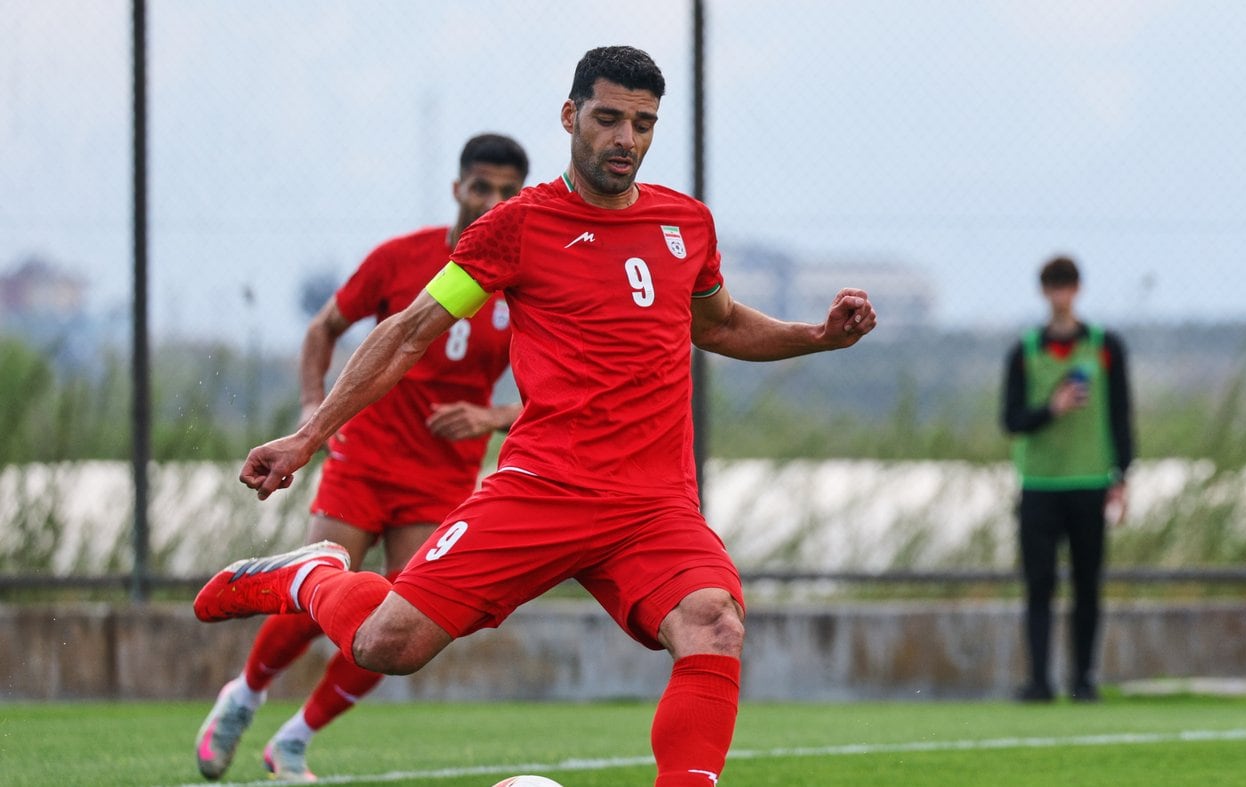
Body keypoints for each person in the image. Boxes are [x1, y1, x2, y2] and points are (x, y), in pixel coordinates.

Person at [193, 45, 876, 787]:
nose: (626, 139)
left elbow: (718, 325)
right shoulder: (518, 226)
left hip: (653, 505)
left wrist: (816, 335)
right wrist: (308, 435)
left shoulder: (686, 224)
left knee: (714, 622)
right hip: (543, 489)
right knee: (390, 644)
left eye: (643, 123)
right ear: (570, 116)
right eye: (608, 118)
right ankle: (311, 577)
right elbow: (410, 332)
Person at [195, 133, 530, 782]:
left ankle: (294, 740)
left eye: (508, 192)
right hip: (366, 457)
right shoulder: (400, 259)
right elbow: (324, 328)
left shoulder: (522, 278)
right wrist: (311, 411)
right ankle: (243, 696)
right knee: (317, 589)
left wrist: (492, 417)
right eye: (482, 187)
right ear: (457, 189)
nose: (493, 202)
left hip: (442, 476)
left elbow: (557, 392)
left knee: (405, 619)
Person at [1001, 255, 1134, 703]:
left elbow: (1120, 415)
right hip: (1039, 484)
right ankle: (1039, 681)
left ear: (1078, 289)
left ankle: (1083, 680)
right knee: (1038, 586)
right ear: (1044, 291)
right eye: (1054, 285)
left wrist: (1122, 476)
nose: (1061, 293)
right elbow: (1011, 419)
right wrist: (1051, 409)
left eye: (1067, 284)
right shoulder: (1025, 350)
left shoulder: (1105, 346)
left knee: (1087, 585)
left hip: (1090, 482)